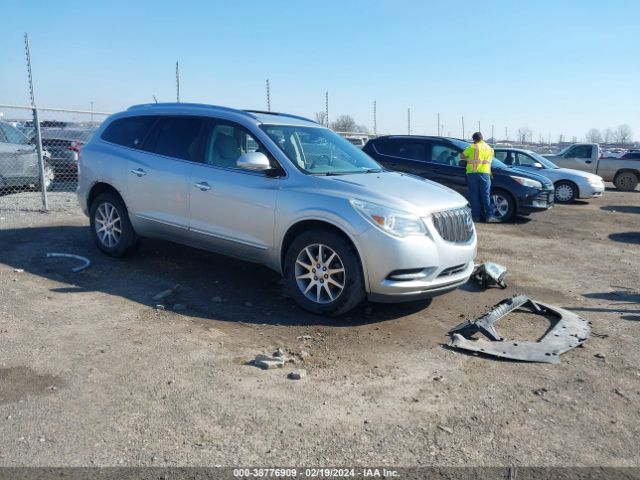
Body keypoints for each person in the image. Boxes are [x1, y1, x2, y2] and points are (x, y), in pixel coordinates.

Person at [461, 132, 496, 223]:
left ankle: (476, 217)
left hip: (472, 173)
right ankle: (489, 216)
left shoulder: (472, 147)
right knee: (486, 195)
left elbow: (462, 156)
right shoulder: (489, 148)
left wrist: (468, 158)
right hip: (485, 173)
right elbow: (490, 161)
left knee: (474, 195)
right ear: (482, 138)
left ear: (474, 139)